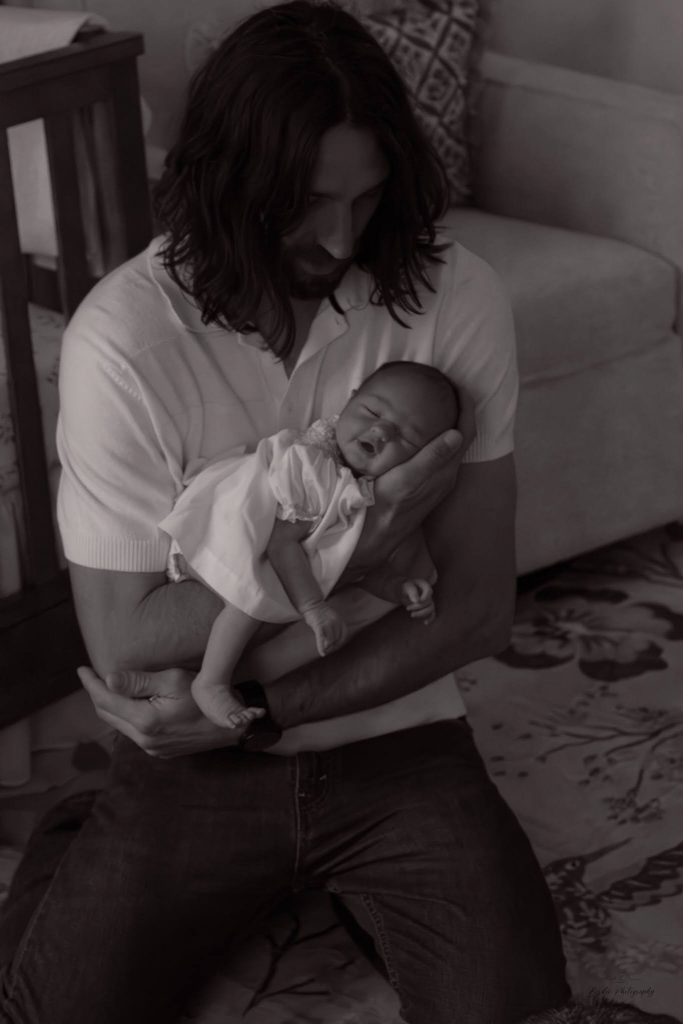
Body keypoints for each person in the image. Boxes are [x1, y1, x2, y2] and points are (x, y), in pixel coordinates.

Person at [0, 2, 571, 1022]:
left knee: (512, 1007)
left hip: (387, 732)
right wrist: (369, 544)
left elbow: (481, 606)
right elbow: (129, 645)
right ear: (228, 181)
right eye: (307, 204)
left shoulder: (454, 295)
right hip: (192, 771)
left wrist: (261, 711)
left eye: (367, 196)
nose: (342, 238)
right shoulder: (123, 340)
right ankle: (82, 833)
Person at [164, 360, 456, 727]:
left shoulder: (366, 492)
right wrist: (314, 608)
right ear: (349, 401)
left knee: (269, 590)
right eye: (371, 411)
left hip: (241, 546)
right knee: (252, 600)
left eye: (406, 437)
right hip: (210, 542)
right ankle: (210, 682)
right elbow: (282, 546)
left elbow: (345, 563)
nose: (381, 430)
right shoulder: (314, 468)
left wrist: (397, 587)